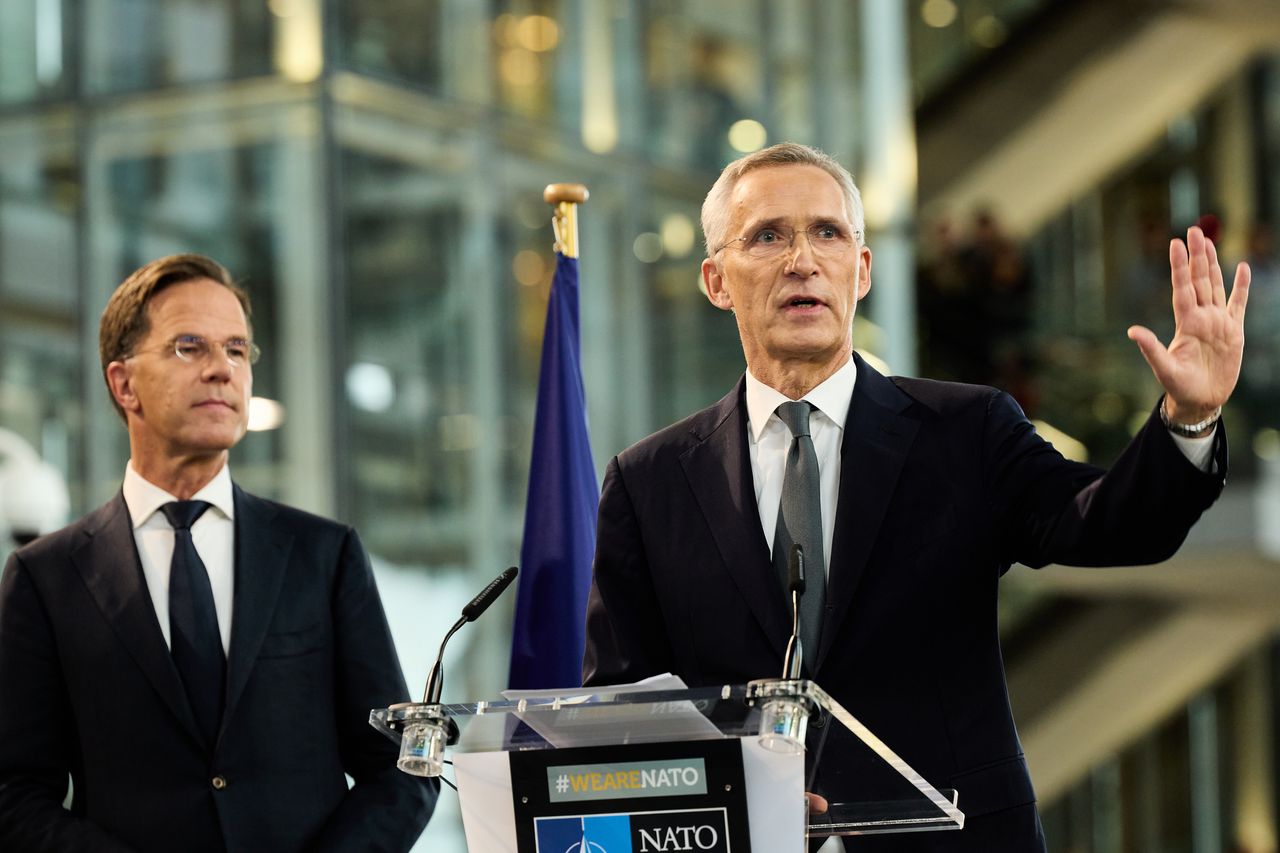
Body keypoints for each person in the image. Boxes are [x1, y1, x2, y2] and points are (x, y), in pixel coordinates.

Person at [582, 143, 1248, 851]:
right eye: (768, 235)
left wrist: (1190, 420)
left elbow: (1107, 523)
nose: (801, 259)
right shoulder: (649, 481)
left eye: (828, 233)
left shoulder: (967, 430)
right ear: (717, 279)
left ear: (861, 270)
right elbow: (622, 713)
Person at [0, 255, 437, 852]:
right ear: (123, 383)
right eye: (189, 347)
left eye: (237, 349)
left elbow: (401, 767)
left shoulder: (324, 555)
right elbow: (15, 792)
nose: (221, 370)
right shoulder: (45, 578)